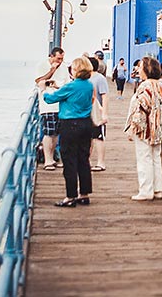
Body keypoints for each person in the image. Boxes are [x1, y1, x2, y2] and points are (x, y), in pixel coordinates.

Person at [42, 56, 97, 207]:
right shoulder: (89, 85)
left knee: (69, 161)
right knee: (83, 160)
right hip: (86, 124)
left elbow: (50, 99)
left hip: (69, 125)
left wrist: (43, 90)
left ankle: (70, 196)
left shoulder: (71, 86)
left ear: (76, 70)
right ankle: (84, 194)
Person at [126, 56, 162, 200]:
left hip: (146, 128)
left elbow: (141, 107)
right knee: (155, 158)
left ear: (147, 69)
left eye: (140, 67)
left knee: (144, 158)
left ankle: (146, 190)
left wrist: (133, 128)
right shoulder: (161, 85)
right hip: (159, 127)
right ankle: (157, 189)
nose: (138, 70)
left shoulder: (145, 86)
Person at [34, 47, 71, 170]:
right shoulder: (42, 65)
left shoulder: (64, 68)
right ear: (51, 56)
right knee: (48, 133)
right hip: (47, 105)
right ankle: (47, 159)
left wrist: (57, 85)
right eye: (58, 58)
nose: (60, 61)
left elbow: (67, 84)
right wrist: (52, 70)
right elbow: (39, 81)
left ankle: (53, 158)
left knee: (56, 134)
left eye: (62, 59)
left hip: (60, 104)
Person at [88, 57, 111, 172]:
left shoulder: (100, 78)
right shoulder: (86, 78)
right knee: (88, 138)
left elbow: (105, 96)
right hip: (87, 112)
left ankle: (101, 163)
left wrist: (104, 114)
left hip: (97, 112)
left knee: (98, 137)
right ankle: (87, 161)